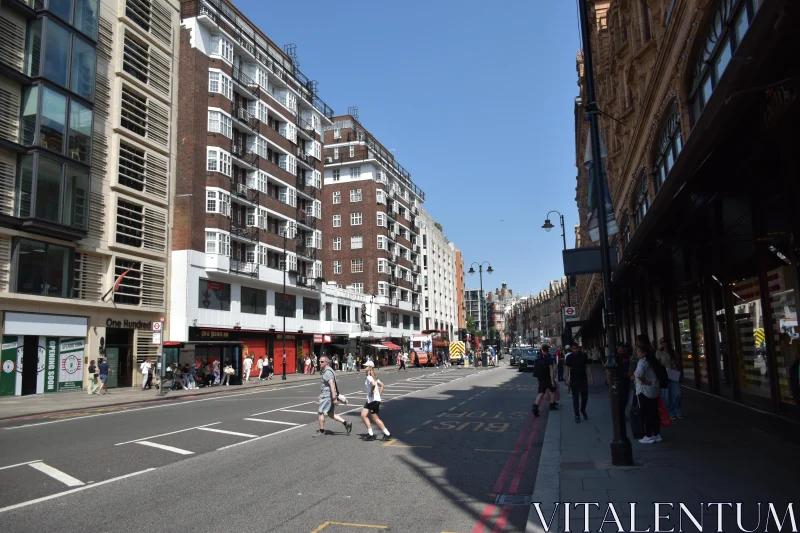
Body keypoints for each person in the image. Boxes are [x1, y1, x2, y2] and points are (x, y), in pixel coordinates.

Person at [314, 355, 353, 437]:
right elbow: (328, 386)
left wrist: (334, 398)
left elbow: (331, 385)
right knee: (330, 413)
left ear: (326, 362)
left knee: (320, 412)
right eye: (319, 361)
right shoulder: (330, 370)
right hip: (328, 395)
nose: (319, 363)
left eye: (322, 362)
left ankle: (321, 431)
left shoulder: (327, 372)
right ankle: (346, 423)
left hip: (327, 396)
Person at [634, 341, 662, 443]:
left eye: (638, 351)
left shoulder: (642, 362)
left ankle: (649, 435)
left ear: (644, 353)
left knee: (646, 414)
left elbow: (638, 373)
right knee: (654, 413)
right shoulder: (652, 361)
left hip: (644, 391)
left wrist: (643, 381)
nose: (637, 353)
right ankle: (657, 434)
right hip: (654, 390)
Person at [360, 361, 392, 441]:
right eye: (364, 366)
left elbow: (373, 384)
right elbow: (382, 385)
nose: (364, 367)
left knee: (375, 419)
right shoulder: (374, 376)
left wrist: (371, 392)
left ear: (370, 367)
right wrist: (379, 395)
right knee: (363, 415)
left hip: (373, 401)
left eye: (366, 366)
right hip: (371, 400)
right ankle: (370, 434)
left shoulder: (369, 377)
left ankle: (387, 434)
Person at [565, 345, 594, 423]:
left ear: (579, 348)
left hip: (583, 379)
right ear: (571, 349)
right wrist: (567, 379)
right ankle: (577, 415)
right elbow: (567, 368)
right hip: (574, 380)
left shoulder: (584, 355)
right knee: (575, 398)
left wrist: (591, 377)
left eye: (576, 348)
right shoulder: (569, 357)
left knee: (585, 397)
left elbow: (588, 366)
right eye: (573, 348)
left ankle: (582, 409)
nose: (575, 350)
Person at [655, 337, 682, 419]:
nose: (662, 344)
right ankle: (670, 412)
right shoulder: (659, 352)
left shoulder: (672, 351)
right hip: (664, 374)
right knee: (666, 394)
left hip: (672, 373)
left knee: (677, 393)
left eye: (663, 342)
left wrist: (674, 363)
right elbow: (657, 363)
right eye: (661, 342)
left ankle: (677, 410)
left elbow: (677, 362)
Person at [532, 344, 558, 417]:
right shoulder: (549, 358)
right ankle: (552, 404)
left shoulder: (539, 357)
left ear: (542, 350)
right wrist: (552, 380)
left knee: (541, 392)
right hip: (547, 378)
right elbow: (551, 370)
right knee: (553, 390)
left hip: (540, 378)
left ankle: (535, 406)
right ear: (548, 350)